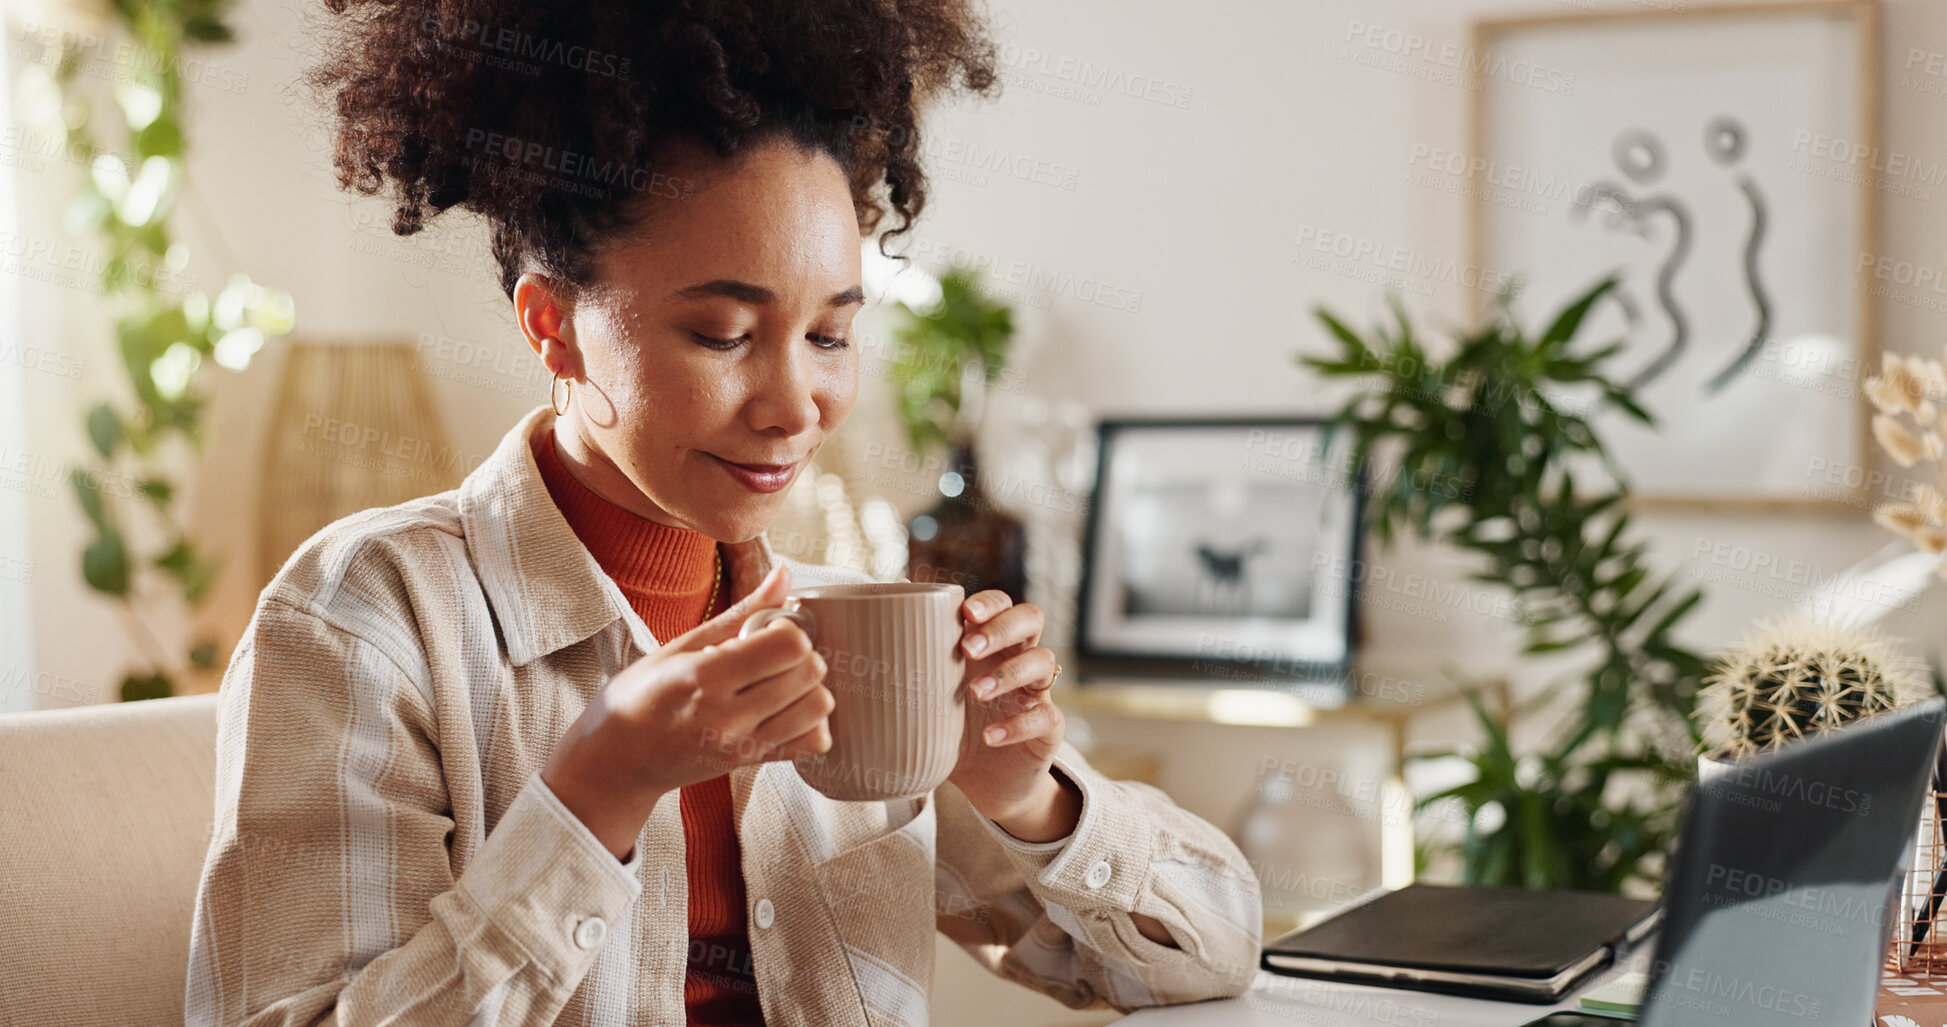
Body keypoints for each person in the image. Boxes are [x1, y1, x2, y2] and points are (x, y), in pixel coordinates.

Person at [186, 1, 1262, 1023]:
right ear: (553, 326)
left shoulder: (856, 637)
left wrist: (1029, 798)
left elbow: (1211, 955)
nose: (798, 405)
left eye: (831, 335)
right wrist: (595, 792)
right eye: (721, 334)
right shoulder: (368, 622)